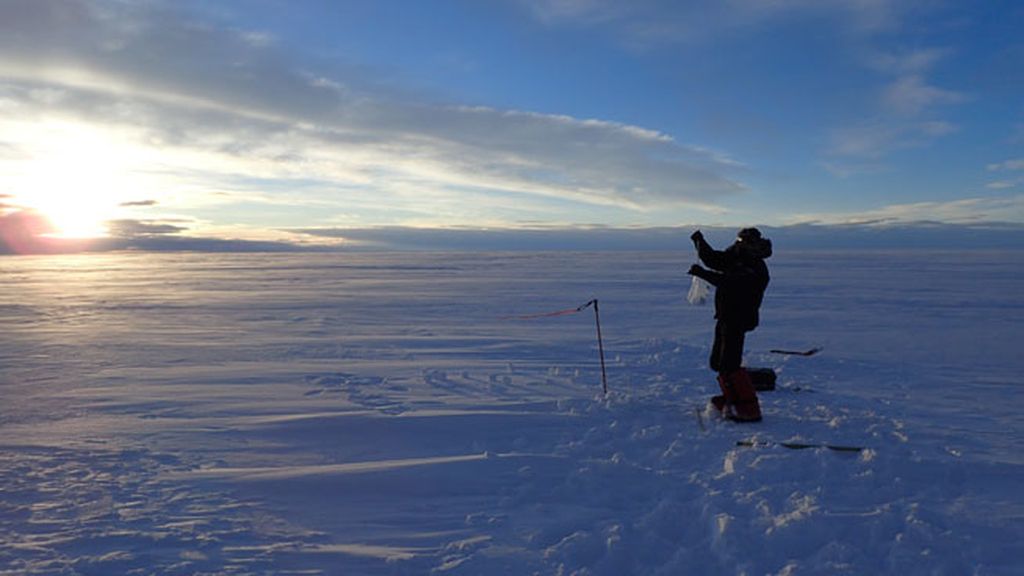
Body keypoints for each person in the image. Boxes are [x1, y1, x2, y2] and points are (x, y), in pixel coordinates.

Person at [688, 228, 772, 422]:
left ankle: (748, 408)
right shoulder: (737, 256)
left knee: (729, 363)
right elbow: (714, 260)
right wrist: (699, 241)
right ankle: (732, 398)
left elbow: (730, 282)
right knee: (718, 362)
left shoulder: (756, 267)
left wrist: (703, 274)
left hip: (740, 317)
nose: (739, 245)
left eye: (743, 242)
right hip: (726, 315)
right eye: (739, 241)